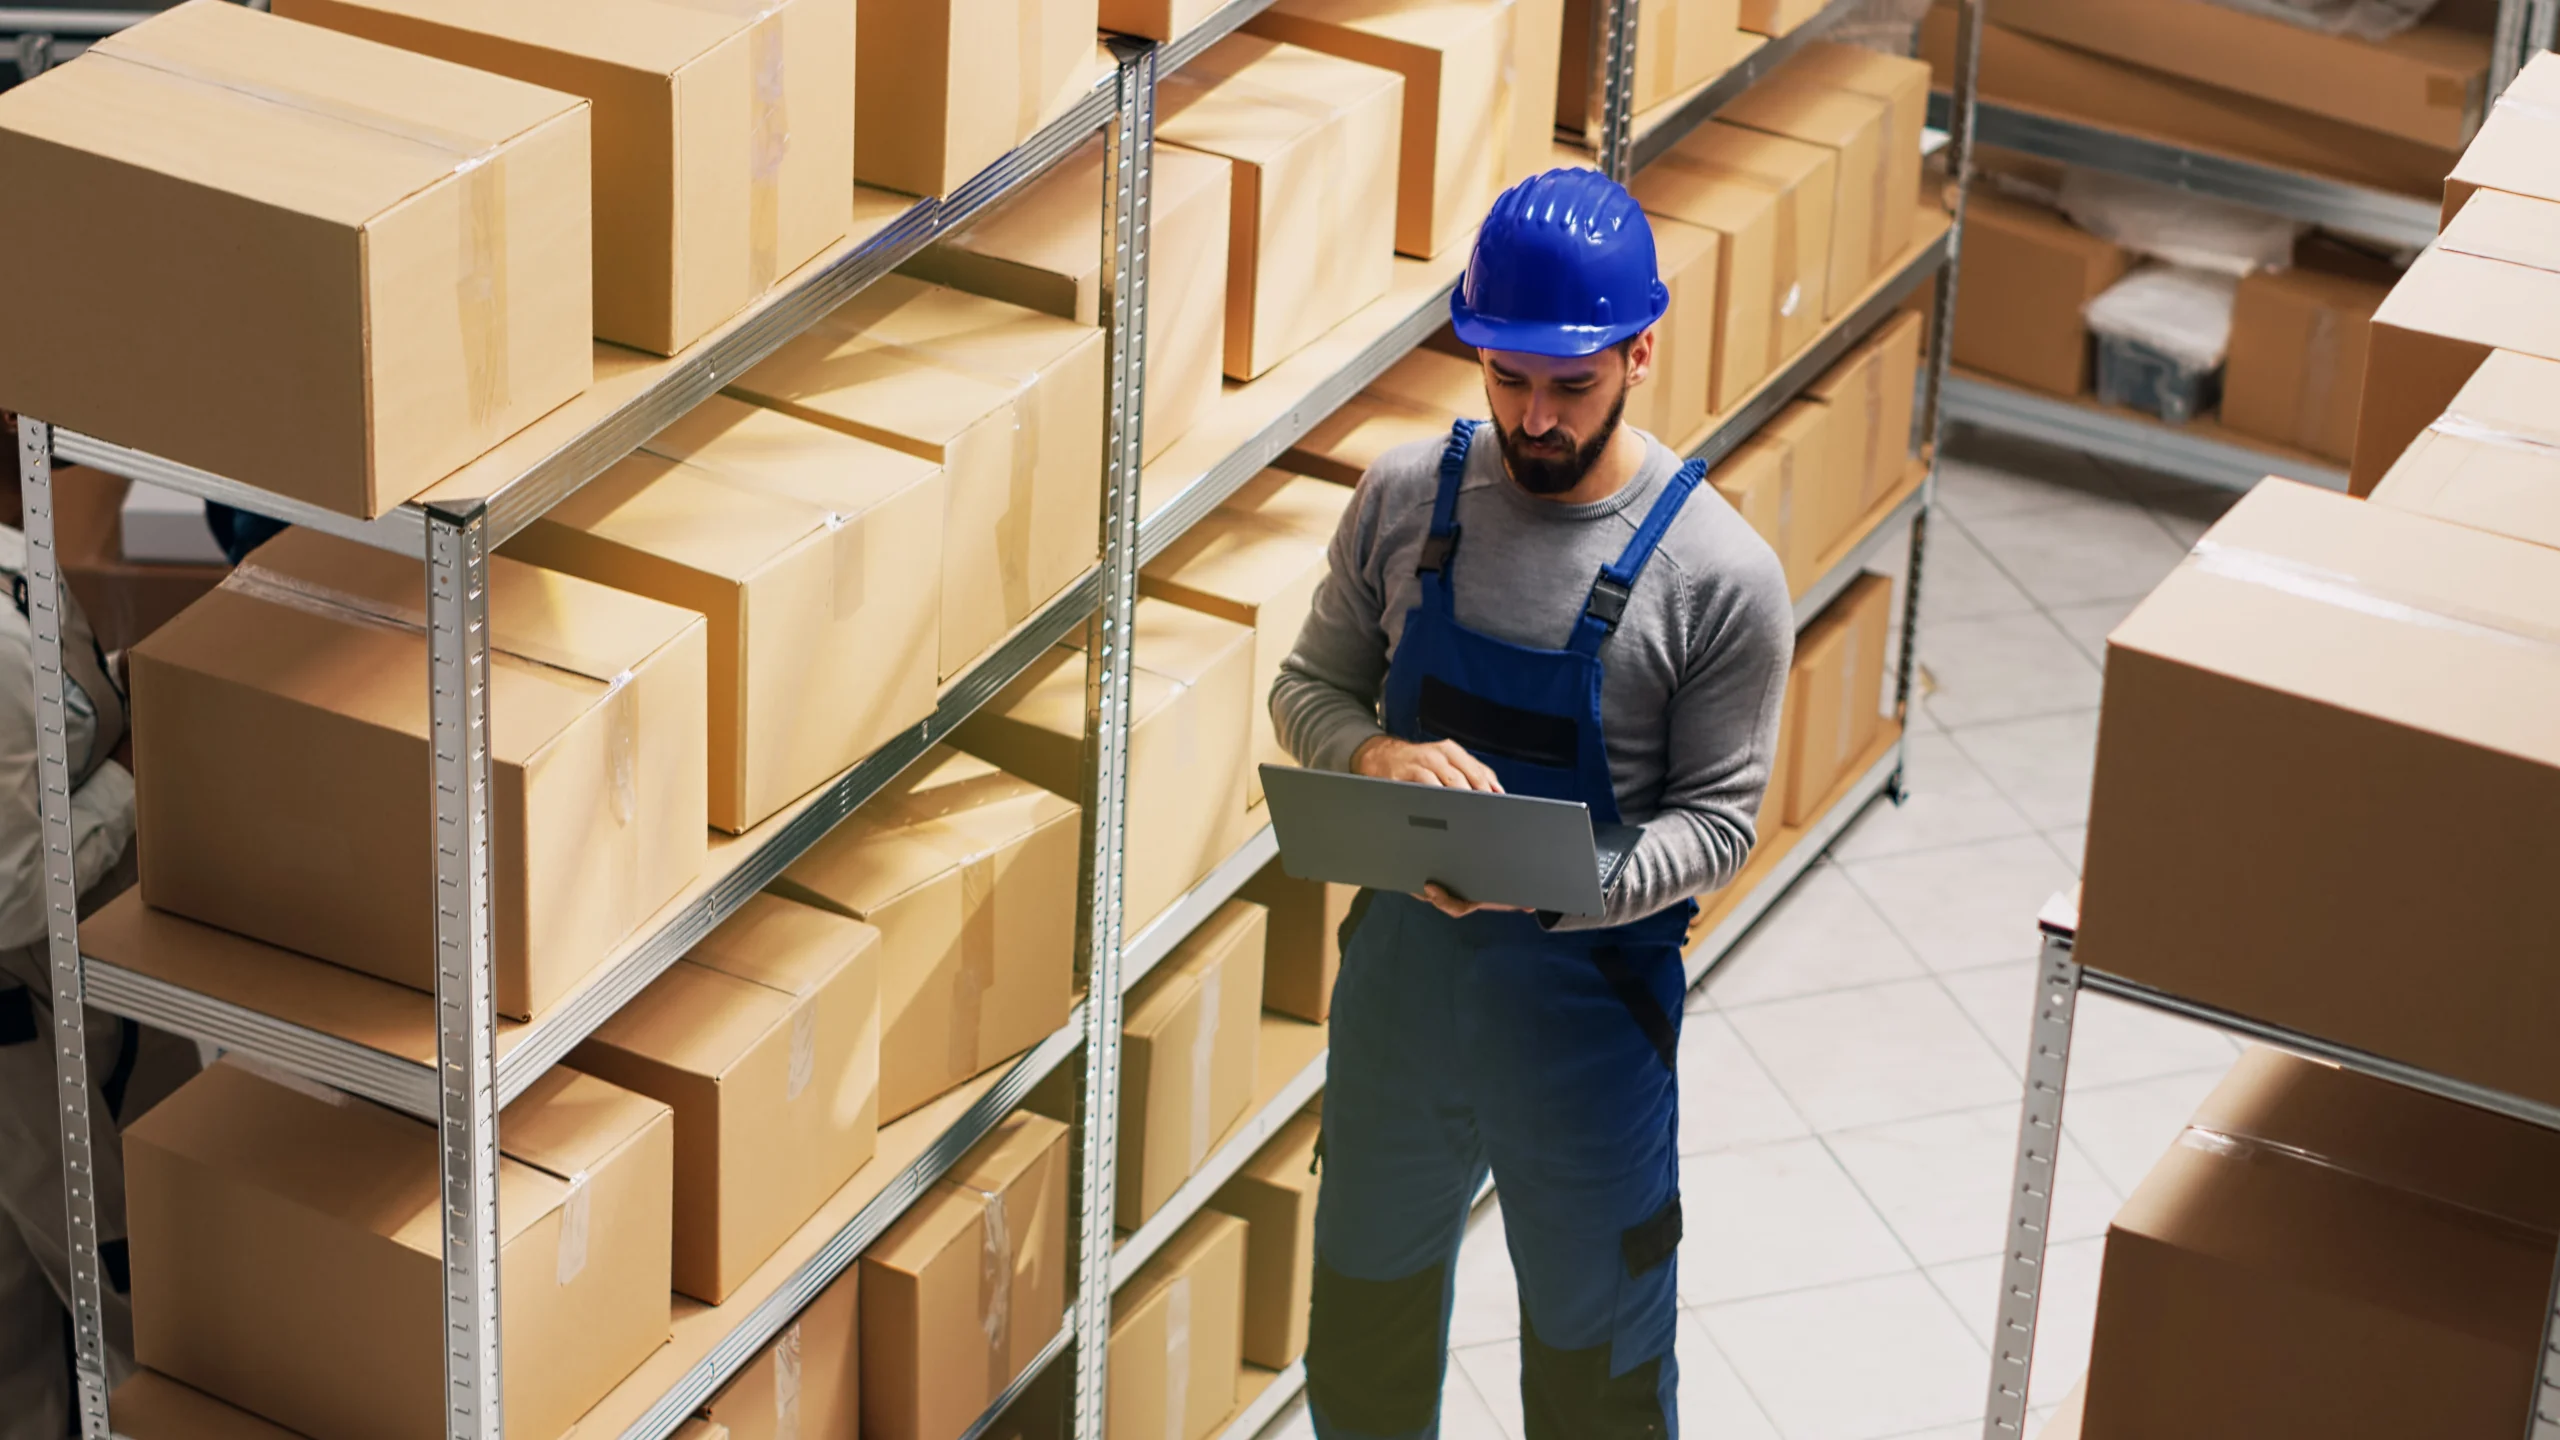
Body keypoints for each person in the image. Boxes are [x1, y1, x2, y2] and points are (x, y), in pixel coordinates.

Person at [1273, 168, 1795, 1437]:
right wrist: (1371, 759)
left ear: (1639, 353)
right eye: (1507, 378)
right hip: (1402, 993)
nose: (1536, 418)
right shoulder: (1405, 499)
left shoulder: (1716, 573)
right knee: (1362, 1332)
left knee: (1595, 1372)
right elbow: (1309, 689)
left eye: (1571, 386)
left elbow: (1721, 823)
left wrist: (1556, 881)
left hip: (1585, 1020)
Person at [0, 515, 193, 1439]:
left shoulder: (20, 564)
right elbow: (16, 887)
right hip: (43, 1044)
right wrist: (127, 771)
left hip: (72, 1015)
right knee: (134, 1314)